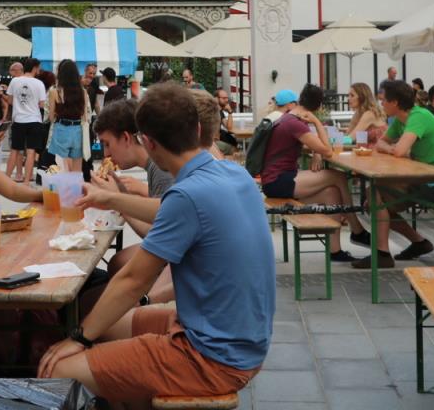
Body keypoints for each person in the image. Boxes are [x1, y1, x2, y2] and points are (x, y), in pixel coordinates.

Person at [38, 84, 274, 406]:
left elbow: (133, 280)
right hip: (242, 339)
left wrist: (78, 338)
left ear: (147, 142)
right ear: (198, 130)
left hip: (211, 358)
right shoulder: (233, 173)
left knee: (57, 368)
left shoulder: (187, 196)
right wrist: (110, 198)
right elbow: (169, 209)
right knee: (103, 323)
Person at [352, 79, 434, 269]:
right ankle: (418, 243)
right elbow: (381, 144)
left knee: (374, 195)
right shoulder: (400, 119)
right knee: (373, 200)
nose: (381, 104)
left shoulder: (418, 116)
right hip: (424, 175)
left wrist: (393, 149)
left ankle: (383, 254)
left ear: (395, 102)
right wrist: (392, 148)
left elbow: (399, 151)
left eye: (383, 100)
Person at [79, 99, 175, 303]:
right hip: (174, 253)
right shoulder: (154, 165)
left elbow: (158, 234)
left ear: (125, 138)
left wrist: (117, 200)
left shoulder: (161, 169)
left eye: (107, 144)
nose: (105, 153)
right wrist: (121, 196)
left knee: (90, 297)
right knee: (116, 263)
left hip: (176, 266)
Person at [259, 88, 368, 260]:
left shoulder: (289, 118)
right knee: (338, 176)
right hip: (277, 181)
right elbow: (328, 151)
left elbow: (313, 145)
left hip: (276, 179)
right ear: (318, 107)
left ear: (300, 100)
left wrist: (316, 151)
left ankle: (335, 251)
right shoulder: (295, 123)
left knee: (332, 193)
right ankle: (356, 229)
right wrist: (317, 122)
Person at [6, 58, 47, 182]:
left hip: (18, 120)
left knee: (14, 150)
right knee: (31, 152)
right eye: (38, 67)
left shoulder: (15, 81)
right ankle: (27, 182)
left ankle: (5, 179)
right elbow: (42, 104)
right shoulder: (39, 83)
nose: (39, 70)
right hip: (34, 120)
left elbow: (9, 100)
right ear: (34, 68)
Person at [47, 59, 90, 173]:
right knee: (77, 168)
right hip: (78, 130)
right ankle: (76, 184)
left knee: (61, 166)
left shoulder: (54, 92)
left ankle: (64, 184)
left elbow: (51, 117)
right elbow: (85, 116)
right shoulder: (83, 92)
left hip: (61, 128)